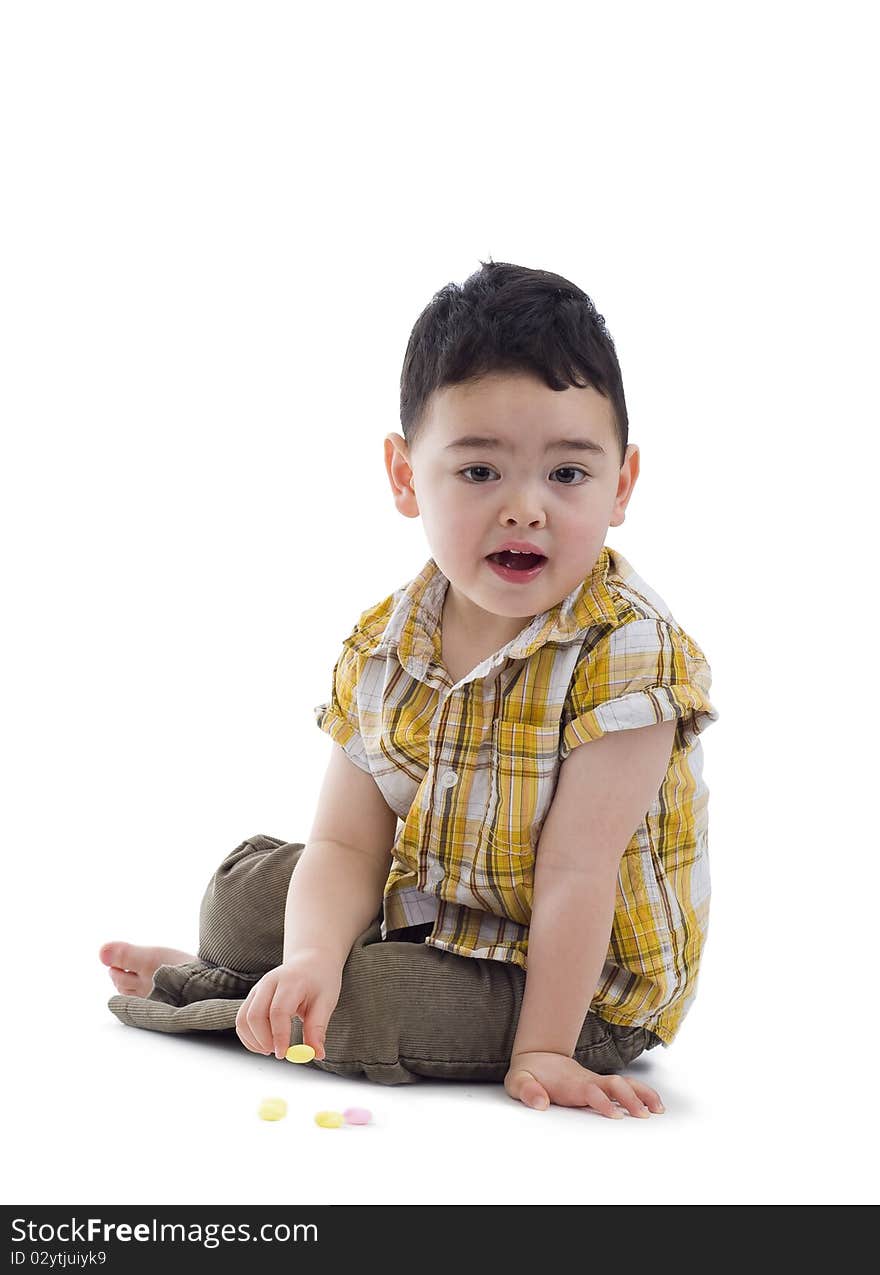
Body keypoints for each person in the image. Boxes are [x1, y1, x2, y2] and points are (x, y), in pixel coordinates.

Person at [100, 259, 719, 1118]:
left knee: (370, 1003)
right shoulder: (390, 641)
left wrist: (544, 1048)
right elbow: (350, 845)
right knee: (242, 904)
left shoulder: (629, 651)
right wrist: (313, 951)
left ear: (621, 484)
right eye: (479, 472)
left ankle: (206, 999)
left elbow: (581, 871)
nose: (526, 508)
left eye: (568, 474)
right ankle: (263, 978)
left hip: (576, 984)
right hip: (437, 905)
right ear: (404, 476)